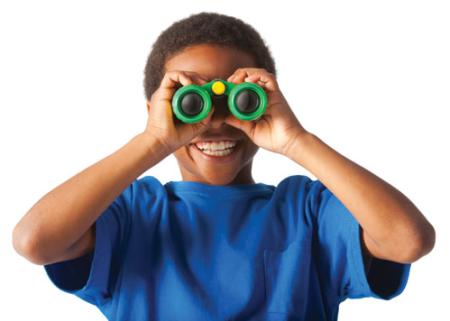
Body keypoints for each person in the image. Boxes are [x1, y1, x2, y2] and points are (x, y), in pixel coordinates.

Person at [12, 12, 435, 321]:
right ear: (156, 109)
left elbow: (408, 241)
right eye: (191, 104)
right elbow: (35, 241)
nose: (215, 121)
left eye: (240, 100)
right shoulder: (135, 213)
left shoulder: (306, 209)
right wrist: (153, 141)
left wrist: (295, 140)